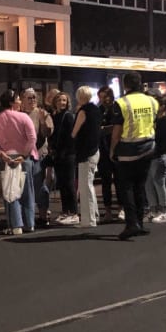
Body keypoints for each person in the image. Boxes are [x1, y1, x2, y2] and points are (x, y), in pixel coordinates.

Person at [109, 71, 159, 240]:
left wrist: (112, 149)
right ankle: (140, 222)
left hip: (128, 150)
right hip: (148, 148)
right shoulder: (152, 101)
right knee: (140, 186)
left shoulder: (122, 103)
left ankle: (131, 224)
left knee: (126, 188)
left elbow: (117, 131)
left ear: (126, 85)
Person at [0, 89, 37, 235]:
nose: (20, 101)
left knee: (10, 192)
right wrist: (24, 154)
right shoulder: (24, 117)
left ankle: (16, 225)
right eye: (18, 99)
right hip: (24, 158)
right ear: (12, 102)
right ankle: (30, 223)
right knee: (27, 191)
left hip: (5, 159)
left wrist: (1, 153)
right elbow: (32, 138)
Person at [71, 87, 101, 228]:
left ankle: (89, 220)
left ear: (79, 97)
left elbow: (74, 132)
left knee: (85, 186)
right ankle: (94, 215)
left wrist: (77, 113)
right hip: (95, 151)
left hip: (85, 153)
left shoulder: (83, 111)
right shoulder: (96, 110)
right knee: (89, 184)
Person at [22, 88, 53, 226]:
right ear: (23, 100)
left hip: (39, 154)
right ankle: (27, 216)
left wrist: (42, 121)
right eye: (29, 98)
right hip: (23, 155)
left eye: (34, 97)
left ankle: (43, 214)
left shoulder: (42, 113)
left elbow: (47, 133)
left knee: (40, 185)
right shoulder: (20, 114)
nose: (32, 100)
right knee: (25, 186)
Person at [145, 95, 166, 224]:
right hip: (150, 156)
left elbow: (163, 141)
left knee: (158, 182)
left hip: (160, 155)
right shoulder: (155, 119)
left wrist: (155, 150)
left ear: (162, 106)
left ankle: (163, 211)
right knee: (148, 183)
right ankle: (153, 210)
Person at [49, 91, 79, 225]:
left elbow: (71, 136)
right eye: (59, 100)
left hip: (68, 154)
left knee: (69, 183)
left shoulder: (68, 116)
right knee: (62, 184)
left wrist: (65, 151)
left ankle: (73, 212)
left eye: (64, 100)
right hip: (58, 154)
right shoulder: (55, 116)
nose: (62, 103)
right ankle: (65, 211)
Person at [96, 86, 120, 222]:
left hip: (116, 148)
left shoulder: (116, 108)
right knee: (105, 181)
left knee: (119, 180)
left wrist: (105, 129)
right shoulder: (99, 110)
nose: (103, 100)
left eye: (104, 96)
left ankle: (121, 208)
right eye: (100, 97)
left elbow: (118, 127)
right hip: (103, 150)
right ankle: (108, 210)